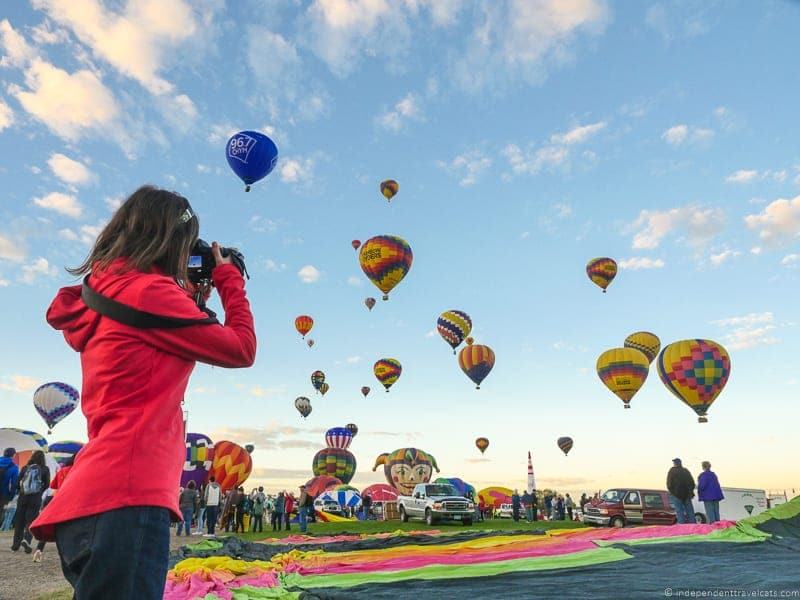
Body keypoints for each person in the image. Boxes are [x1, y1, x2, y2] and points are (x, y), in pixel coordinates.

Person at [29, 186, 256, 600]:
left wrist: (191, 296)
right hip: (129, 497)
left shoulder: (107, 292)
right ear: (170, 240)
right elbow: (241, 349)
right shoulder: (151, 295)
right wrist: (228, 280)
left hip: (93, 500)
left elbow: (151, 336)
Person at [33, 454, 76, 562]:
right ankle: (68, 555)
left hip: (58, 501)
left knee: (54, 526)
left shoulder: (61, 471)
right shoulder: (76, 470)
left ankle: (39, 550)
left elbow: (53, 487)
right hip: (72, 502)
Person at [12, 450, 51, 553]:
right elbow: (47, 484)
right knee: (31, 520)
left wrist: (21, 490)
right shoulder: (45, 469)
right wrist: (39, 491)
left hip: (23, 497)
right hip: (35, 498)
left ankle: (15, 545)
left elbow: (17, 482)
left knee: (20, 520)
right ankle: (26, 539)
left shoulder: (25, 468)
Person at [667, 458, 696, 524]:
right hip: (687, 495)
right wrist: (690, 491)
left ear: (675, 463)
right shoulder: (686, 471)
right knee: (690, 511)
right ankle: (693, 526)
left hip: (676, 495)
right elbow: (692, 483)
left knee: (679, 511)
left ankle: (682, 526)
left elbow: (669, 483)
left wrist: (672, 492)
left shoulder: (672, 471)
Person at [1, 447, 20, 519]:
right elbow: (14, 483)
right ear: (13, 455)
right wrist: (11, 496)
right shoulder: (14, 467)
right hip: (3, 493)